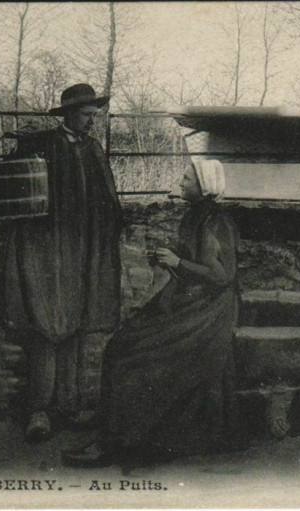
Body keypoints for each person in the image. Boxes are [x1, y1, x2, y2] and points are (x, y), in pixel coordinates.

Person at [62, 159, 240, 468]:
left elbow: (221, 277)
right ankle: (111, 424)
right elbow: (193, 265)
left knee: (132, 355)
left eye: (187, 179)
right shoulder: (196, 216)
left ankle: (117, 442)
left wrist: (176, 262)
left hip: (210, 311)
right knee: (121, 344)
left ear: (204, 186)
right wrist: (169, 260)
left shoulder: (216, 222)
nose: (181, 183)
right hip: (191, 301)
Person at [0, 84, 122, 442]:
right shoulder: (43, 145)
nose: (91, 121)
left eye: (95, 115)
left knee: (77, 322)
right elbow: (18, 192)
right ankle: (39, 410)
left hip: (82, 249)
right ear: (68, 114)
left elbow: (107, 197)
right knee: (46, 324)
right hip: (45, 250)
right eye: (86, 114)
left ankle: (70, 405)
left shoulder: (93, 148)